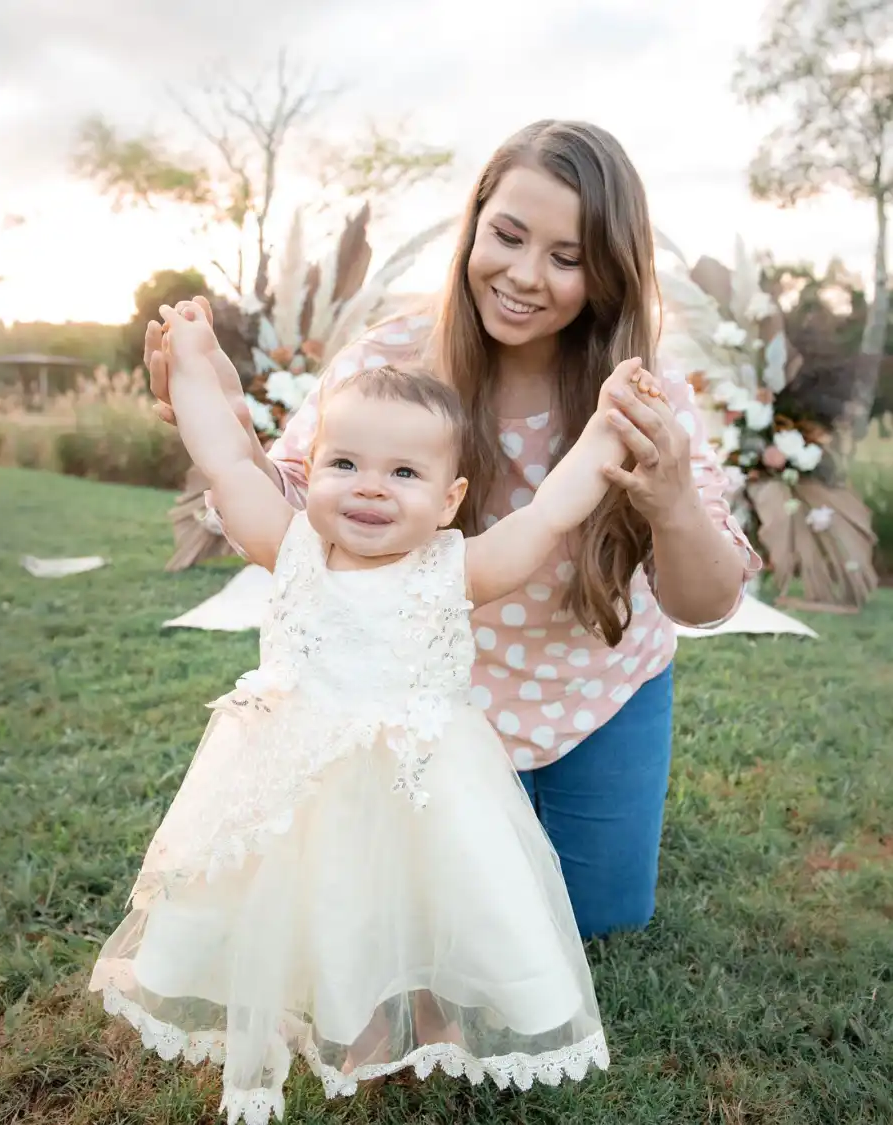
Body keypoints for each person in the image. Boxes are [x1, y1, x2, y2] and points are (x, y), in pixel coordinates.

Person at [145, 119, 761, 940]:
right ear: (475, 223)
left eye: (566, 257)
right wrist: (215, 419)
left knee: (601, 917)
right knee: (444, 924)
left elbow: (706, 600)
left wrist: (674, 498)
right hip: (425, 699)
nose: (524, 275)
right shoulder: (390, 360)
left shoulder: (640, 397)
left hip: (595, 690)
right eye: (506, 236)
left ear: (608, 270)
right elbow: (298, 506)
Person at [91, 299, 670, 1122]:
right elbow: (224, 460)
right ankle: (331, 1014)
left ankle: (417, 1006)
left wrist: (610, 429)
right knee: (313, 899)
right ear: (314, 468)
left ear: (449, 498)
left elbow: (549, 513)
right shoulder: (288, 547)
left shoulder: (451, 568)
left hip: (417, 790)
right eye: (345, 464)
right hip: (295, 781)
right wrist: (190, 360)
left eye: (404, 473)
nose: (369, 487)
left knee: (424, 899)